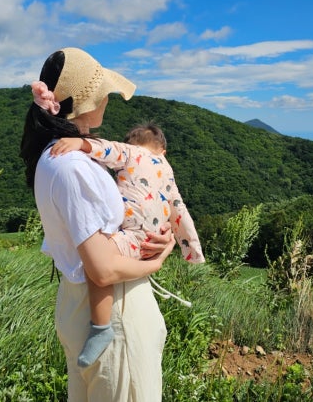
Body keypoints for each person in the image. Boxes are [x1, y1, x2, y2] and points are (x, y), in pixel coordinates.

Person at [20, 47, 175, 402]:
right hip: (112, 312)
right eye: (103, 92)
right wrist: (157, 261)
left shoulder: (55, 156)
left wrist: (155, 233)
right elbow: (102, 270)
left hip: (80, 307)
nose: (108, 99)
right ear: (87, 100)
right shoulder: (73, 166)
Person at [50, 123, 205, 367]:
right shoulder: (167, 171)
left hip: (132, 234)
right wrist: (192, 250)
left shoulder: (131, 152)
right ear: (163, 150)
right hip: (149, 238)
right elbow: (180, 212)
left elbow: (108, 150)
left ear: (132, 144)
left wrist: (79, 143)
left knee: (97, 264)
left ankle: (101, 328)